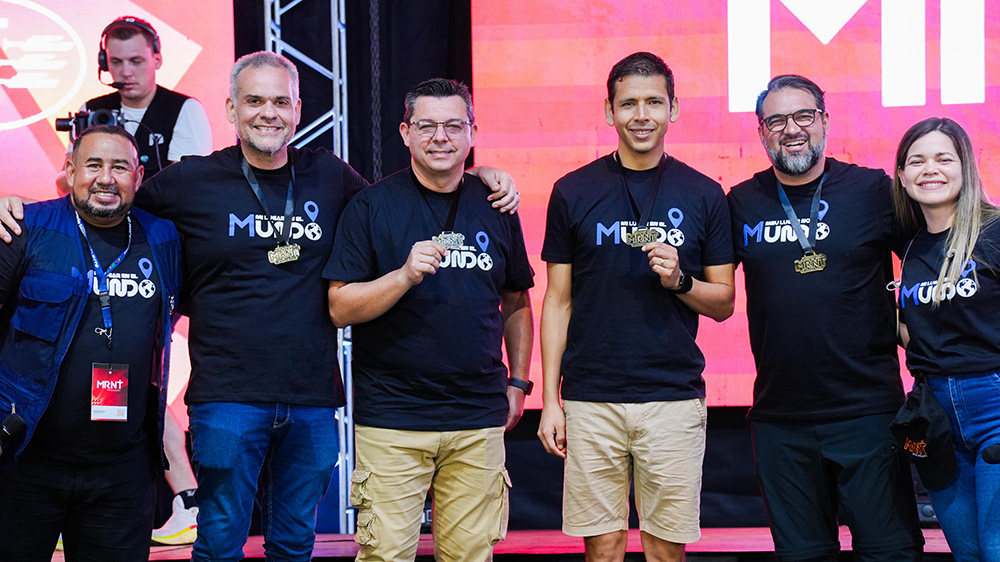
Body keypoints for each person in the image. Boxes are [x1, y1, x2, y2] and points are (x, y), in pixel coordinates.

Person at [0, 51, 517, 561]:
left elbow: (401, 201)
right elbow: (109, 201)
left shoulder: (330, 176)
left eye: (280, 101)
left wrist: (475, 178)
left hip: (312, 398)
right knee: (220, 544)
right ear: (231, 109)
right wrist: (23, 208)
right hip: (227, 397)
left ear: (297, 110)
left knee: (294, 546)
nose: (268, 112)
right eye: (254, 101)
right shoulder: (191, 180)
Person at [536, 52, 735, 562]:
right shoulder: (572, 191)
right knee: (602, 547)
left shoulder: (704, 193)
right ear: (610, 111)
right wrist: (551, 400)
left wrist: (679, 280)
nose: (641, 115)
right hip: (590, 398)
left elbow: (723, 303)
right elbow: (557, 301)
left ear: (674, 109)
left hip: (672, 397)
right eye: (628, 104)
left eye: (653, 102)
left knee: (665, 549)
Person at [325, 77, 534, 562]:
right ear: (405, 132)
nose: (441, 137)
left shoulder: (497, 204)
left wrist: (520, 382)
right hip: (393, 421)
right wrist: (402, 277)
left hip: (477, 419)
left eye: (454, 126)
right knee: (385, 556)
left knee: (471, 556)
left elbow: (517, 301)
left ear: (472, 133)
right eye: (427, 126)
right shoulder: (371, 206)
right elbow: (339, 308)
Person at [726, 74, 924, 560]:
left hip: (869, 414)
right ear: (761, 132)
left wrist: (916, 336)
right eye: (776, 121)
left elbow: (931, 264)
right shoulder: (740, 202)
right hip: (780, 421)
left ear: (825, 121)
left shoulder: (872, 190)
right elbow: (709, 288)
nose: (792, 129)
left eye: (803, 116)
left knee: (890, 552)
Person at [0, 125, 182, 561]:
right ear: (69, 171)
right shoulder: (27, 226)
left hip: (122, 472)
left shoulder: (164, 238)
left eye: (119, 167)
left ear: (138, 176)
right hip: (27, 461)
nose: (105, 178)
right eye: (93, 165)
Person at [892, 117, 1000, 561]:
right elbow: (918, 331)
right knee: (967, 553)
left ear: (965, 166)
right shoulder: (912, 247)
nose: (930, 169)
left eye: (943, 158)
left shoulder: (995, 231)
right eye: (917, 161)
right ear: (902, 176)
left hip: (994, 402)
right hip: (934, 415)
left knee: (995, 548)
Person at [56, 15, 212, 194]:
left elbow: (187, 187)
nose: (126, 72)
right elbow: (63, 186)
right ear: (104, 63)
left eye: (136, 61)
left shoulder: (185, 109)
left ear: (157, 60)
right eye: (116, 62)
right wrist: (76, 169)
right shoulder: (91, 109)